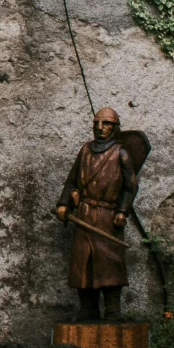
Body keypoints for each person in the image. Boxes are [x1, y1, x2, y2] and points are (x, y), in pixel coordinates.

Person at [57, 107, 139, 321]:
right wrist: (64, 203)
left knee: (110, 261)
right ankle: (88, 308)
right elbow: (72, 180)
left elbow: (130, 187)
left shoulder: (121, 153)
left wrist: (122, 211)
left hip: (107, 215)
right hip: (84, 214)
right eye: (97, 123)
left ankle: (112, 309)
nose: (101, 128)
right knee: (82, 262)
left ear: (115, 127)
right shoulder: (85, 150)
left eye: (107, 124)